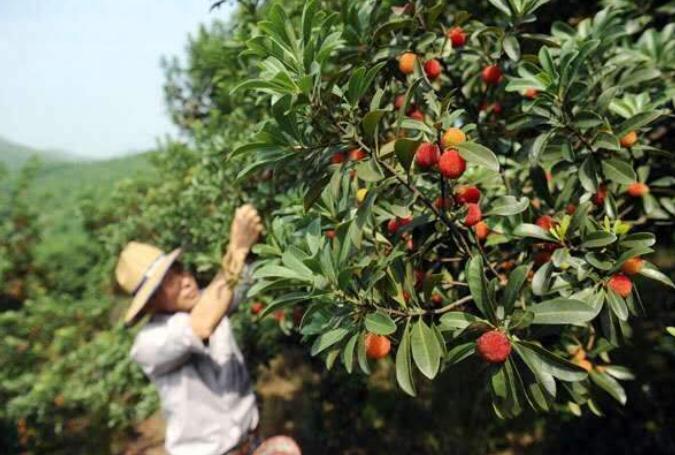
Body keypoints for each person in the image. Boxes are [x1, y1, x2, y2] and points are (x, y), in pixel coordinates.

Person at [115, 204, 300, 455]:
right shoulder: (150, 343)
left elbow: (248, 278)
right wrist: (237, 248)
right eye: (169, 282)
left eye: (179, 270)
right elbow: (202, 325)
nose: (186, 281)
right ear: (150, 302)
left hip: (253, 443)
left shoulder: (210, 300)